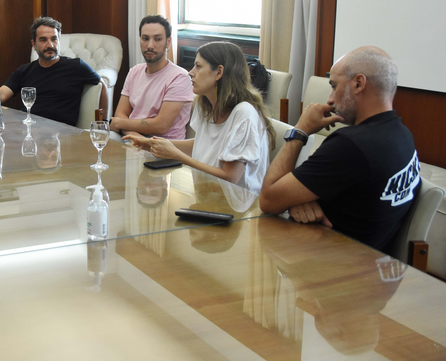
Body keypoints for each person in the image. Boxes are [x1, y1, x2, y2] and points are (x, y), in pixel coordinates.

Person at [259, 46, 419, 252]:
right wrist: (297, 200)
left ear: (359, 83)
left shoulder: (350, 146)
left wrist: (300, 131)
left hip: (337, 268)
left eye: (334, 86)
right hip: (378, 268)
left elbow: (269, 200)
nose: (330, 99)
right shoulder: (403, 135)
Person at [124, 41, 274, 194]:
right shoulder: (204, 104)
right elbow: (203, 143)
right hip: (209, 194)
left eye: (199, 66)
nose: (191, 72)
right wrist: (153, 143)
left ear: (219, 72)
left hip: (239, 207)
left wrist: (176, 155)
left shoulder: (244, 113)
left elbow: (230, 178)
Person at [0, 17, 108, 127]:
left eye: (54, 39)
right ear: (34, 44)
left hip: (62, 134)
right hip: (29, 130)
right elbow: (3, 93)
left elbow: (102, 86)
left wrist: (103, 122)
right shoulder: (24, 70)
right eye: (43, 40)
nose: (50, 45)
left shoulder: (76, 66)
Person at [110, 15, 193, 139]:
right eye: (145, 38)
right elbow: (121, 113)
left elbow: (160, 126)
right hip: (131, 139)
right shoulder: (134, 71)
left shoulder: (180, 77)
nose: (150, 45)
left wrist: (120, 124)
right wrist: (134, 136)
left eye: (157, 39)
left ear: (168, 42)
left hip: (162, 149)